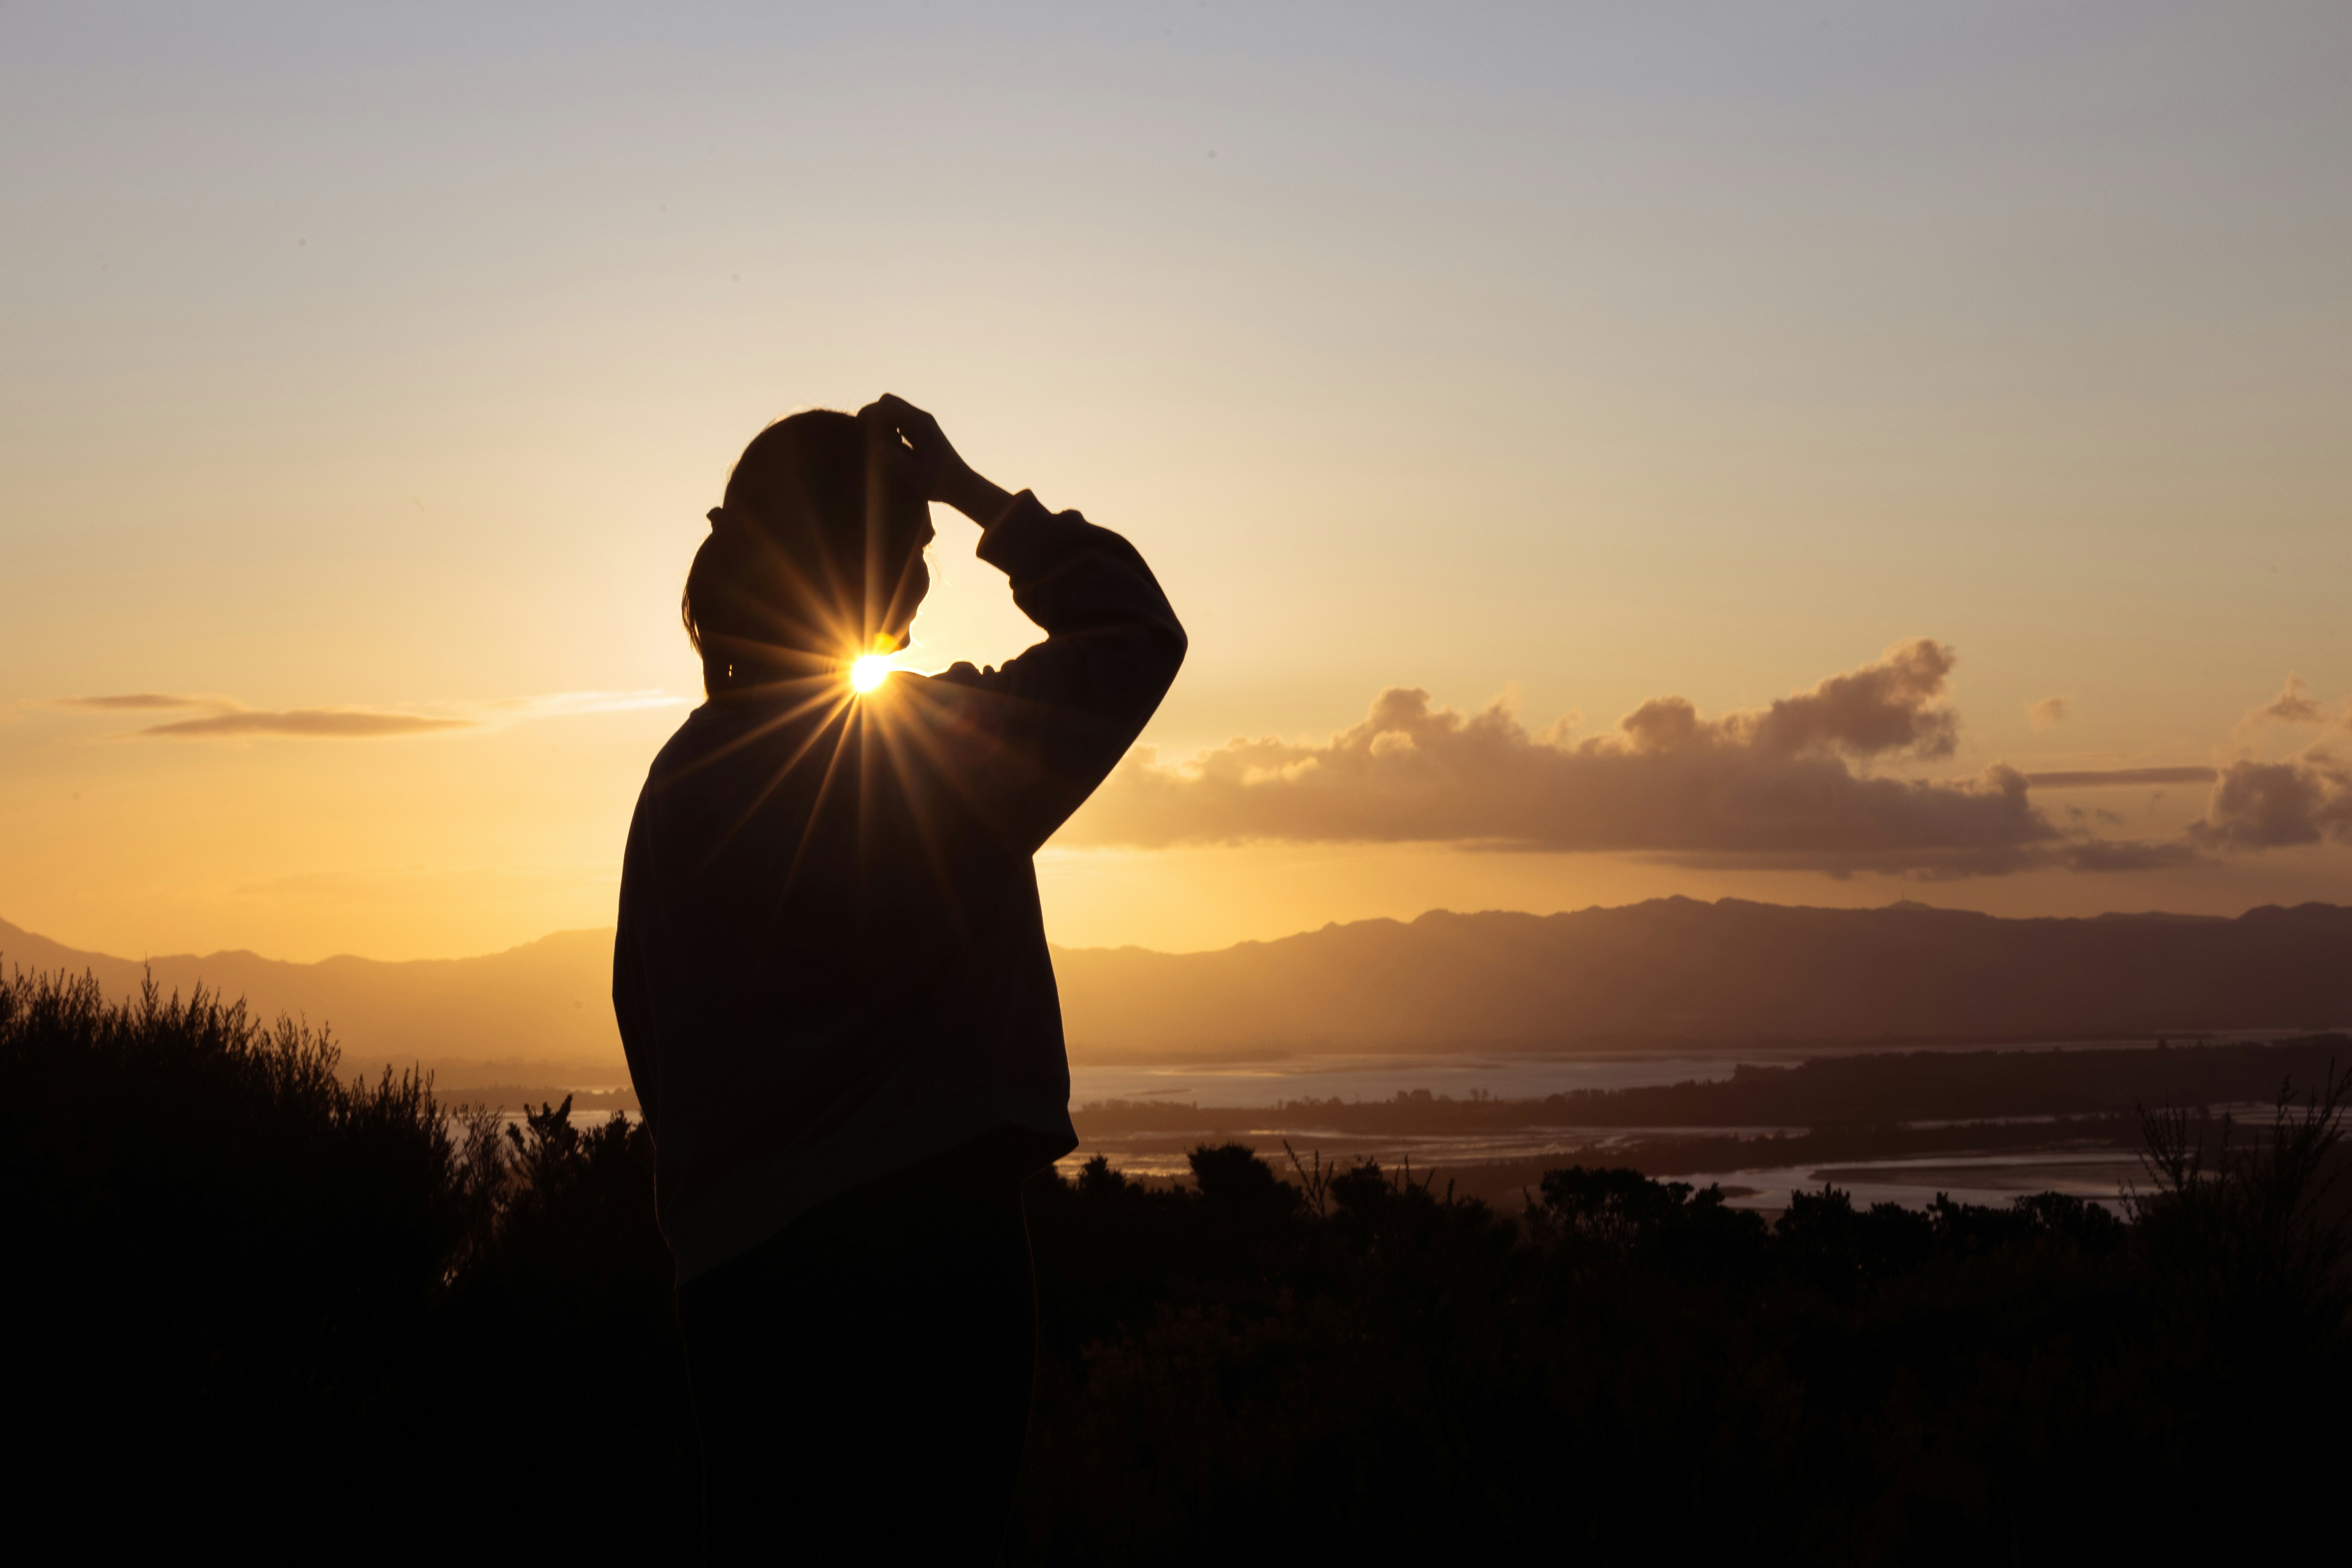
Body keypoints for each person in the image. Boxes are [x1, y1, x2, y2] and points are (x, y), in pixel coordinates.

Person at [612, 395, 1185, 1562]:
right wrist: (981, 498)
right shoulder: (925, 751)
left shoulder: (677, 786)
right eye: (916, 548)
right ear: (863, 566)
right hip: (927, 1265)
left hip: (736, 1291)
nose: (926, 580)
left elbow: (650, 1032)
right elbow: (1134, 636)